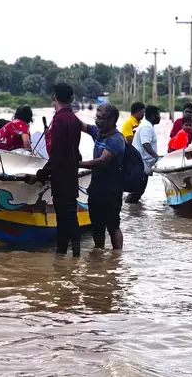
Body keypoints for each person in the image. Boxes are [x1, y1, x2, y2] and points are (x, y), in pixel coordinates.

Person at [27, 82, 84, 257]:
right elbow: (75, 152)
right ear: (72, 99)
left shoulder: (59, 120)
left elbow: (57, 154)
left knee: (62, 218)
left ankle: (61, 256)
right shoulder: (74, 119)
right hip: (72, 175)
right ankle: (75, 257)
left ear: (54, 98)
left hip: (61, 176)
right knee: (71, 217)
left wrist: (40, 175)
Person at [79, 104, 125, 250]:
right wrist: (63, 110)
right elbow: (81, 126)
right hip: (96, 188)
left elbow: (101, 161)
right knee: (96, 226)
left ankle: (117, 257)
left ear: (112, 120)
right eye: (96, 118)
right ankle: (99, 255)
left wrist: (76, 163)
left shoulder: (116, 139)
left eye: (101, 118)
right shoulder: (98, 132)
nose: (97, 121)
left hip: (112, 190)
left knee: (113, 226)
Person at [126, 105, 160, 204]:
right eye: (158, 115)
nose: (159, 117)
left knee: (138, 191)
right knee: (137, 191)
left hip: (142, 164)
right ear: (153, 116)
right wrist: (156, 157)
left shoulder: (147, 125)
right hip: (140, 164)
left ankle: (131, 212)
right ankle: (130, 212)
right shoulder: (146, 127)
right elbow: (146, 144)